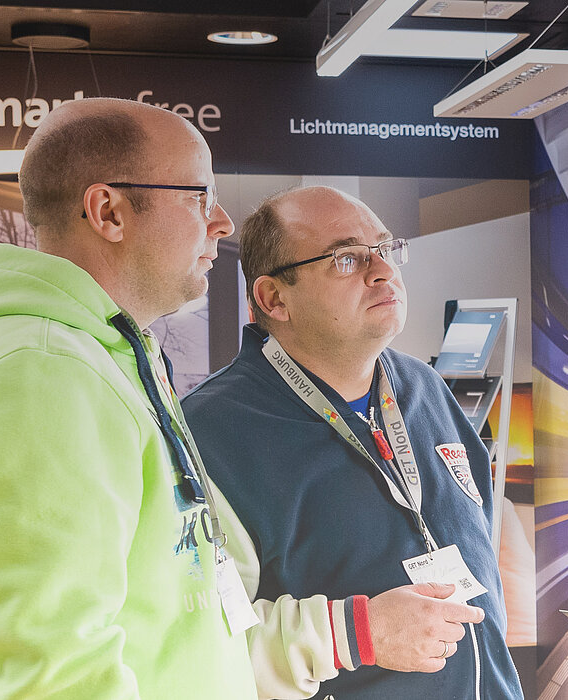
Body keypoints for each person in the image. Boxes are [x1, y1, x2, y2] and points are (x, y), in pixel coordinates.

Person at [0, 97, 257, 699]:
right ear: (108, 210)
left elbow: (162, 617)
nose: (221, 222)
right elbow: (61, 679)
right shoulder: (40, 373)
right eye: (198, 196)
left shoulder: (99, 359)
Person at [182, 186, 524, 700]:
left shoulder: (424, 388)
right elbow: (200, 642)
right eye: (346, 259)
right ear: (274, 298)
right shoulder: (214, 432)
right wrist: (361, 633)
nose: (382, 272)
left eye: (384, 250)